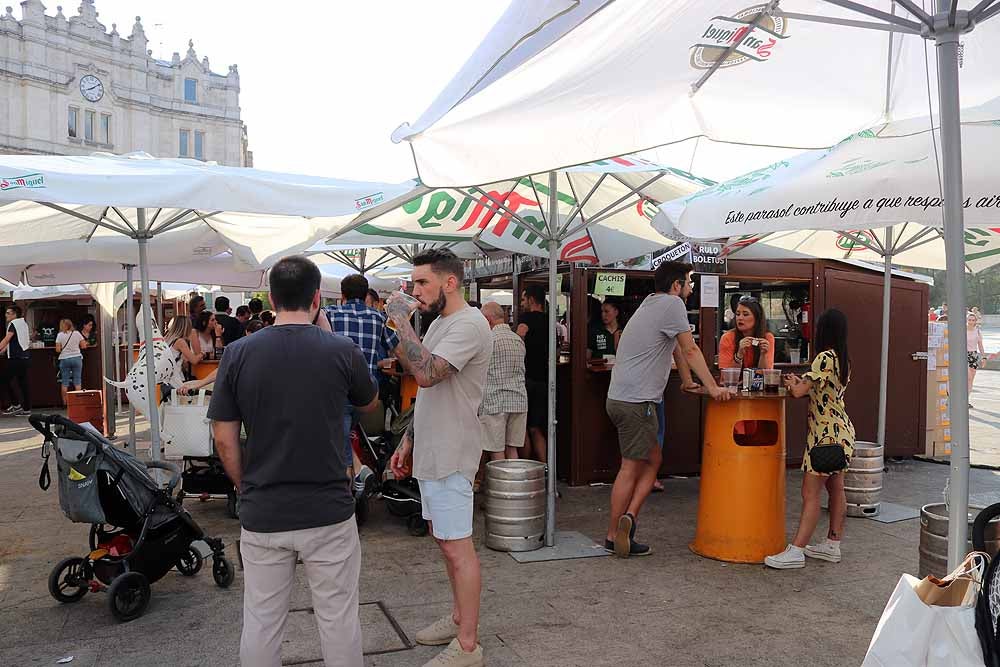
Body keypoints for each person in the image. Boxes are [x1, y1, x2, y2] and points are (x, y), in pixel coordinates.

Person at [208, 255, 377, 667]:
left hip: (264, 508)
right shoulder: (341, 349)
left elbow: (223, 436)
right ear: (317, 297)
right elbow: (370, 405)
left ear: (270, 297)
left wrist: (243, 482)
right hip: (329, 510)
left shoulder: (238, 352)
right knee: (338, 619)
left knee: (262, 620)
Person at [387, 248, 491, 667]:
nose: (415, 290)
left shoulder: (470, 323)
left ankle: (468, 646)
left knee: (456, 547)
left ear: (450, 282)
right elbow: (417, 372)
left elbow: (428, 374)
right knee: (443, 540)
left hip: (453, 450)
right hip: (432, 446)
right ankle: (457, 618)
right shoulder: (443, 323)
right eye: (413, 283)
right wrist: (408, 439)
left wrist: (401, 321)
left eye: (422, 283)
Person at [604, 262, 730, 558]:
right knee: (631, 466)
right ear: (676, 285)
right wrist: (712, 387)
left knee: (652, 459)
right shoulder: (673, 304)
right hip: (638, 402)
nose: (691, 287)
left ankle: (629, 519)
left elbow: (674, 345)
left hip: (620, 398)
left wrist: (686, 380)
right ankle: (615, 533)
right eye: (688, 281)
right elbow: (690, 349)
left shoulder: (652, 303)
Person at [766, 309, 855, 570]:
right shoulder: (843, 358)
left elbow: (799, 392)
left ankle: (796, 550)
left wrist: (794, 383)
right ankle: (832, 545)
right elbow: (818, 389)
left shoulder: (824, 357)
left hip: (824, 435)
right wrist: (801, 382)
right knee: (836, 488)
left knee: (811, 492)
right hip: (841, 432)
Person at [326, 273, 400, 498]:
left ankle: (355, 479)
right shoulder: (379, 318)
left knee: (335, 435)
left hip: (336, 389)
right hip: (367, 393)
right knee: (341, 433)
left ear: (342, 295)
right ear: (366, 293)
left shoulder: (329, 314)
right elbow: (397, 349)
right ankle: (356, 476)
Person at [479, 301, 528, 463]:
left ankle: (501, 488)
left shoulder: (488, 340)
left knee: (496, 450)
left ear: (487, 320)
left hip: (495, 402)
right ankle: (513, 487)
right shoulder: (517, 339)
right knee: (512, 448)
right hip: (518, 400)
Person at [516, 284, 549, 464]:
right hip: (545, 380)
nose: (522, 303)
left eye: (523, 299)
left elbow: (518, 342)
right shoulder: (549, 320)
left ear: (531, 299)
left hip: (526, 379)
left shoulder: (525, 319)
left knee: (523, 428)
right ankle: (545, 467)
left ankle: (525, 467)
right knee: (537, 428)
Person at [718, 296, 775, 369]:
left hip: (757, 380)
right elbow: (726, 376)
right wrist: (739, 354)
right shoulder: (728, 337)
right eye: (737, 314)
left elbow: (766, 375)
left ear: (757, 318)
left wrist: (763, 355)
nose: (740, 318)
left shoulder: (767, 337)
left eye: (745, 314)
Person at [0, 305, 32, 416]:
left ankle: (16, 405)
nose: (6, 315)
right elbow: (15, 341)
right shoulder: (23, 323)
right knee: (23, 383)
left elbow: (7, 339)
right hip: (25, 357)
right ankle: (26, 409)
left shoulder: (13, 324)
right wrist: (3, 350)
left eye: (8, 313)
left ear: (14, 314)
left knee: (3, 380)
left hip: (16, 358)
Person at [54, 319, 87, 405]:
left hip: (64, 359)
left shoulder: (60, 335)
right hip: (77, 358)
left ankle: (65, 403)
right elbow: (83, 346)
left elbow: (57, 350)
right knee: (77, 381)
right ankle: (78, 402)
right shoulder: (76, 333)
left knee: (65, 382)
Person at [968, 311, 986, 408]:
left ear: (975, 321)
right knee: (968, 377)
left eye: (973, 320)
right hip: (963, 355)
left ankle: (966, 399)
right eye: (969, 320)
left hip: (974, 355)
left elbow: (980, 345)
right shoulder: (962, 330)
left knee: (971, 380)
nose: (971, 322)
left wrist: (983, 357)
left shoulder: (977, 330)